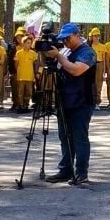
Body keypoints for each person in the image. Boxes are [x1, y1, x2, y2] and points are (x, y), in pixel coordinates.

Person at [44, 24, 96, 186]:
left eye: (67, 38)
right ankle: (65, 169)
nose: (65, 41)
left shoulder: (87, 52)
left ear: (76, 35)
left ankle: (81, 172)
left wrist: (59, 57)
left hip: (81, 101)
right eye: (62, 39)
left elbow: (76, 70)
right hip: (64, 100)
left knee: (79, 137)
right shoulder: (66, 51)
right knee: (64, 137)